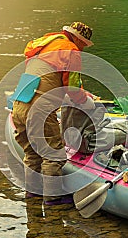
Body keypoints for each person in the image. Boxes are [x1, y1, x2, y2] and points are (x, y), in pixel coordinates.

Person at [11, 22, 95, 205]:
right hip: (39, 109)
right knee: (54, 154)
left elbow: (50, 79)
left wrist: (78, 91)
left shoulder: (46, 44)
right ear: (79, 39)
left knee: (32, 153)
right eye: (83, 44)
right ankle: (52, 200)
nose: (82, 48)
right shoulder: (71, 50)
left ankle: (32, 195)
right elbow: (72, 88)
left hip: (19, 104)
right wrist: (85, 101)